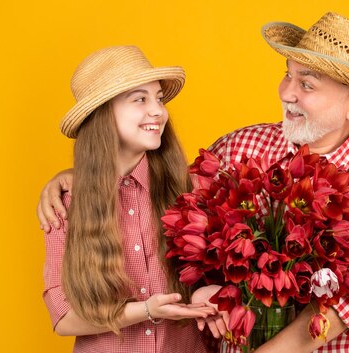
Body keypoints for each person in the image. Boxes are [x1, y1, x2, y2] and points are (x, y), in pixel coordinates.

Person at [39, 13, 349, 353]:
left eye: (308, 84)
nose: (287, 93)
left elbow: (342, 308)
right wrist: (77, 177)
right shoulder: (242, 147)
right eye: (288, 74)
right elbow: (162, 189)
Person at [42, 46, 217, 353]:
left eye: (158, 99)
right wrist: (147, 310)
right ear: (103, 114)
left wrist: (212, 291)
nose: (158, 111)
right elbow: (64, 317)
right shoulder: (67, 202)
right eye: (140, 99)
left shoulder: (192, 189)